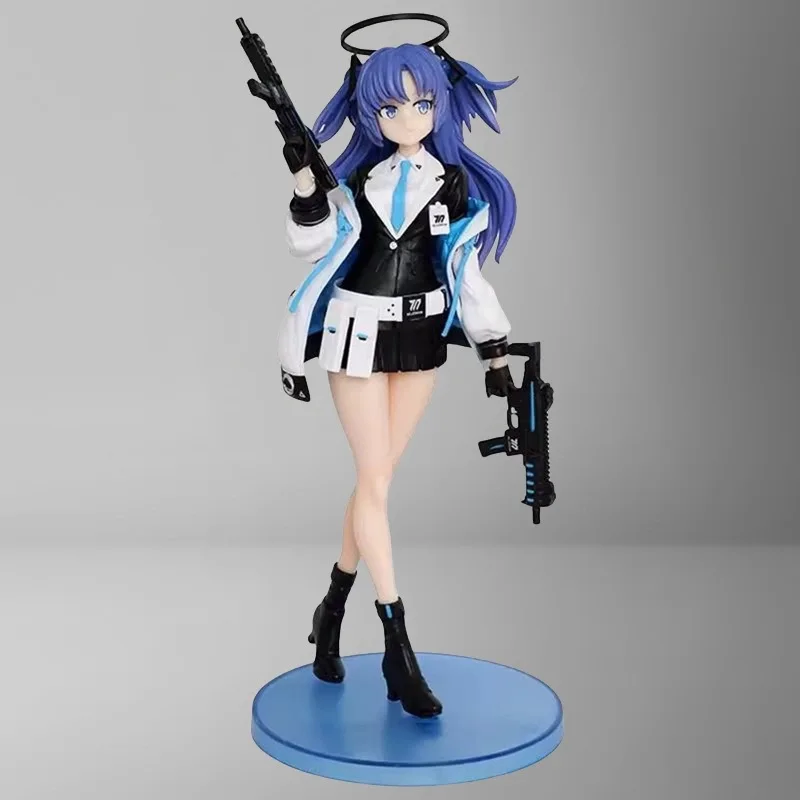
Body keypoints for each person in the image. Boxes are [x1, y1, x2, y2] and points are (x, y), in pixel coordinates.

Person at [277, 34, 518, 718]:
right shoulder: (357, 183)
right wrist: (304, 182)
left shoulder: (454, 184)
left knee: (373, 485)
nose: (407, 118)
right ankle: (396, 646)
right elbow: (311, 245)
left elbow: (465, 271)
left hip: (420, 339)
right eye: (390, 108)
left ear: (439, 105)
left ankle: (330, 610)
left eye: (420, 105)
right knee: (375, 485)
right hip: (355, 333)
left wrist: (494, 349)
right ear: (371, 113)